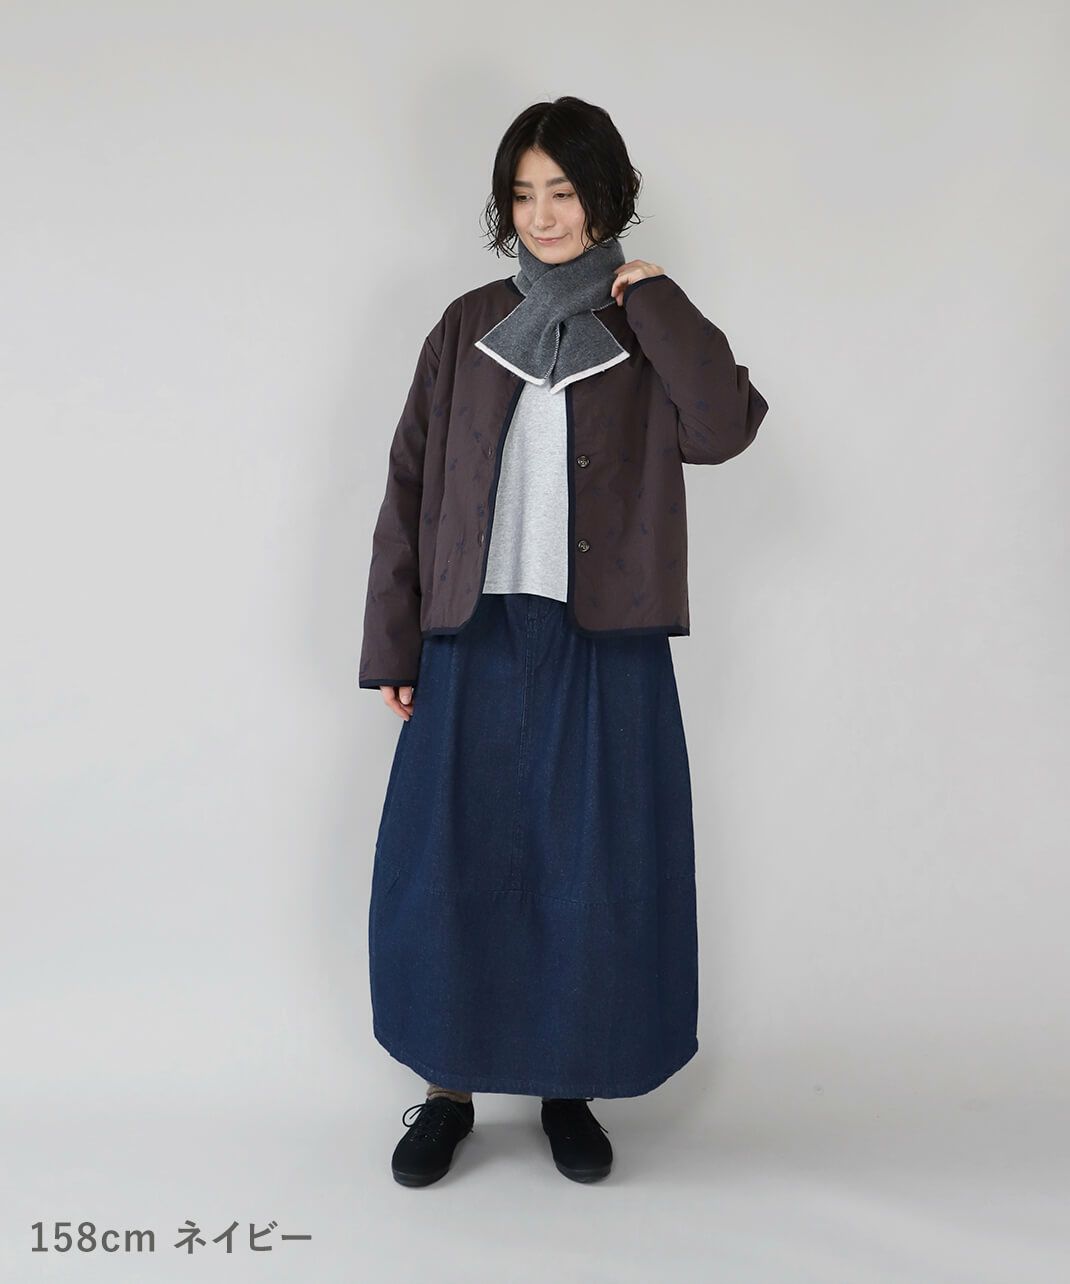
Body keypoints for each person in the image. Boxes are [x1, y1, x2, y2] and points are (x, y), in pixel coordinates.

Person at [358, 95, 769, 1187]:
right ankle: (447, 1090)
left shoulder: (645, 325)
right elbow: (408, 486)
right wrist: (394, 642)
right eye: (524, 194)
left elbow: (723, 427)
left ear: (606, 198)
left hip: (606, 638)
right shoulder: (464, 326)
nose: (542, 215)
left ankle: (567, 1086)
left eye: (565, 191)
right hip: (473, 630)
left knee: (588, 869)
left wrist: (657, 297)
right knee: (450, 865)